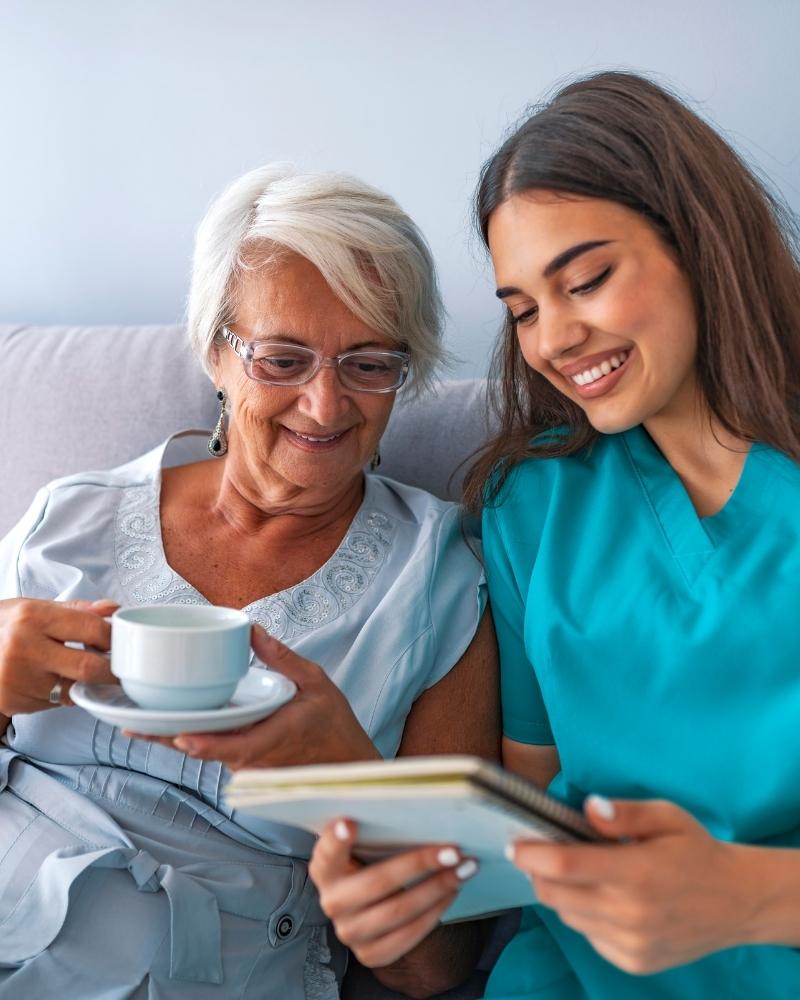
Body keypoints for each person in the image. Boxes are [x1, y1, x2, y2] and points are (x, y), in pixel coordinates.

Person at [308, 71, 800, 998]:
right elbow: (529, 811)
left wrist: (751, 897)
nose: (554, 340)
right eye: (523, 310)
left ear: (699, 243)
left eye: (586, 281)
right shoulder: (529, 503)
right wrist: (407, 889)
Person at [0, 164, 500, 998]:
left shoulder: (441, 586)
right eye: (283, 359)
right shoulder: (70, 518)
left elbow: (431, 965)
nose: (325, 403)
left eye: (370, 363)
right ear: (215, 352)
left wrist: (346, 773)